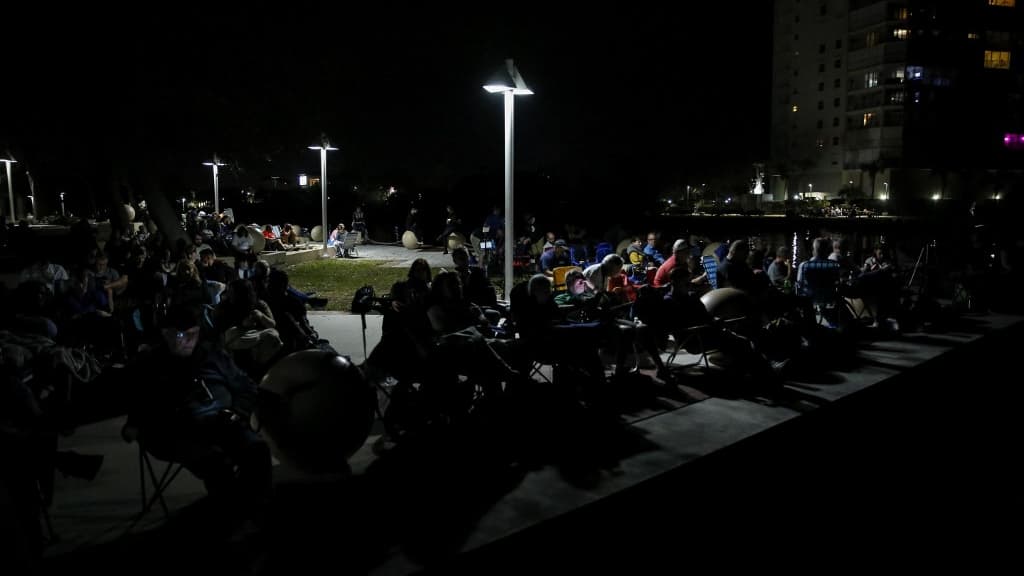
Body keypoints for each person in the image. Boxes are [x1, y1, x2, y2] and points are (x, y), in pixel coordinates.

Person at [125, 305, 272, 512]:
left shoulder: (211, 355)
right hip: (176, 431)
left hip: (222, 422)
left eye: (193, 334)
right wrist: (138, 423)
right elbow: (138, 405)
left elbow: (246, 386)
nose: (188, 340)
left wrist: (239, 412)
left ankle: (253, 509)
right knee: (217, 464)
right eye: (181, 334)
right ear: (166, 334)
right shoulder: (150, 364)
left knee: (257, 450)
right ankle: (231, 516)